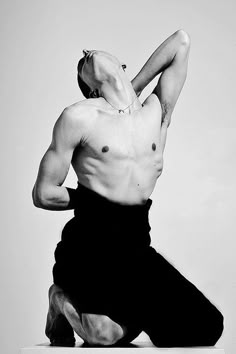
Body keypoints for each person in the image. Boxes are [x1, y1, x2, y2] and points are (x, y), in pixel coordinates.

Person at [32, 30, 224, 347]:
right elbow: (43, 193)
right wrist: (94, 203)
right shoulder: (78, 116)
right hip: (89, 244)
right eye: (82, 62)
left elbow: (181, 42)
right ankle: (59, 299)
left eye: (93, 52)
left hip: (135, 246)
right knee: (101, 335)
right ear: (91, 90)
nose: (86, 50)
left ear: (122, 65)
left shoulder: (156, 114)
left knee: (206, 327)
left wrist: (128, 93)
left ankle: (126, 320)